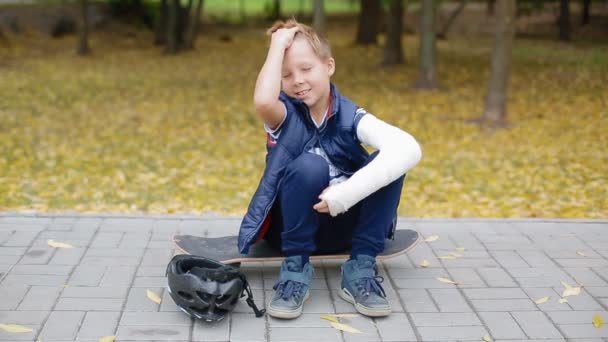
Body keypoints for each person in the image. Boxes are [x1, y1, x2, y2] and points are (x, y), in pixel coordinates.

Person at [237, 19, 422, 319]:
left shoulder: (350, 115)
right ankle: (295, 269)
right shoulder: (283, 116)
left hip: (346, 226)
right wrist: (276, 44)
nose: (297, 80)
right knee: (311, 165)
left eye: (306, 69)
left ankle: (360, 267)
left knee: (391, 160)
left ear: (329, 66)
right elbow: (262, 100)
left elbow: (408, 148)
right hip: (291, 229)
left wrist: (344, 194)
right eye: (286, 75)